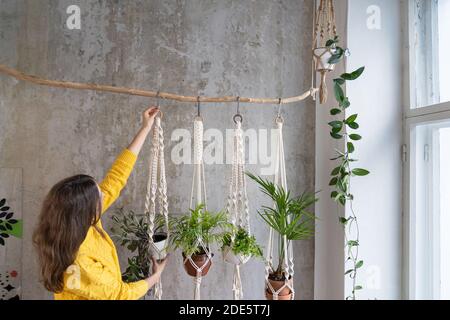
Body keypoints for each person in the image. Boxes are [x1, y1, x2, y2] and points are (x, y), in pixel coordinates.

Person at [33, 106, 167, 300]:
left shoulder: (76, 224)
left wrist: (145, 128)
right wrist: (156, 276)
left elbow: (116, 179)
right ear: (85, 209)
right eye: (99, 196)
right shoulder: (79, 260)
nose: (104, 196)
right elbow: (120, 293)